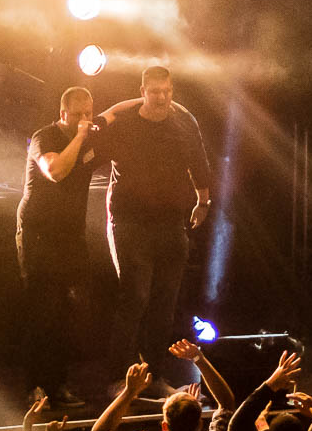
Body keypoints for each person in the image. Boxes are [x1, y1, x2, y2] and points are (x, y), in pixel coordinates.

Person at [97, 66, 212, 390]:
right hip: (129, 221)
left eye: (167, 91)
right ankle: (118, 377)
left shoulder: (184, 121)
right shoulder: (126, 122)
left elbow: (199, 163)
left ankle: (153, 376)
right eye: (155, 91)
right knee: (135, 296)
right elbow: (95, 142)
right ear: (143, 91)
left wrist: (203, 202)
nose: (161, 98)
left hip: (171, 223)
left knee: (164, 303)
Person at [17, 85, 112, 409]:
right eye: (77, 115)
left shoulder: (90, 133)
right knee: (42, 311)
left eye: (88, 113)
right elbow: (56, 170)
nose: (84, 120)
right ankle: (36, 388)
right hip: (40, 235)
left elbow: (114, 113)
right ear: (63, 115)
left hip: (71, 237)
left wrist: (143, 100)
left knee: (69, 312)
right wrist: (81, 136)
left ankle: (58, 386)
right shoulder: (46, 137)